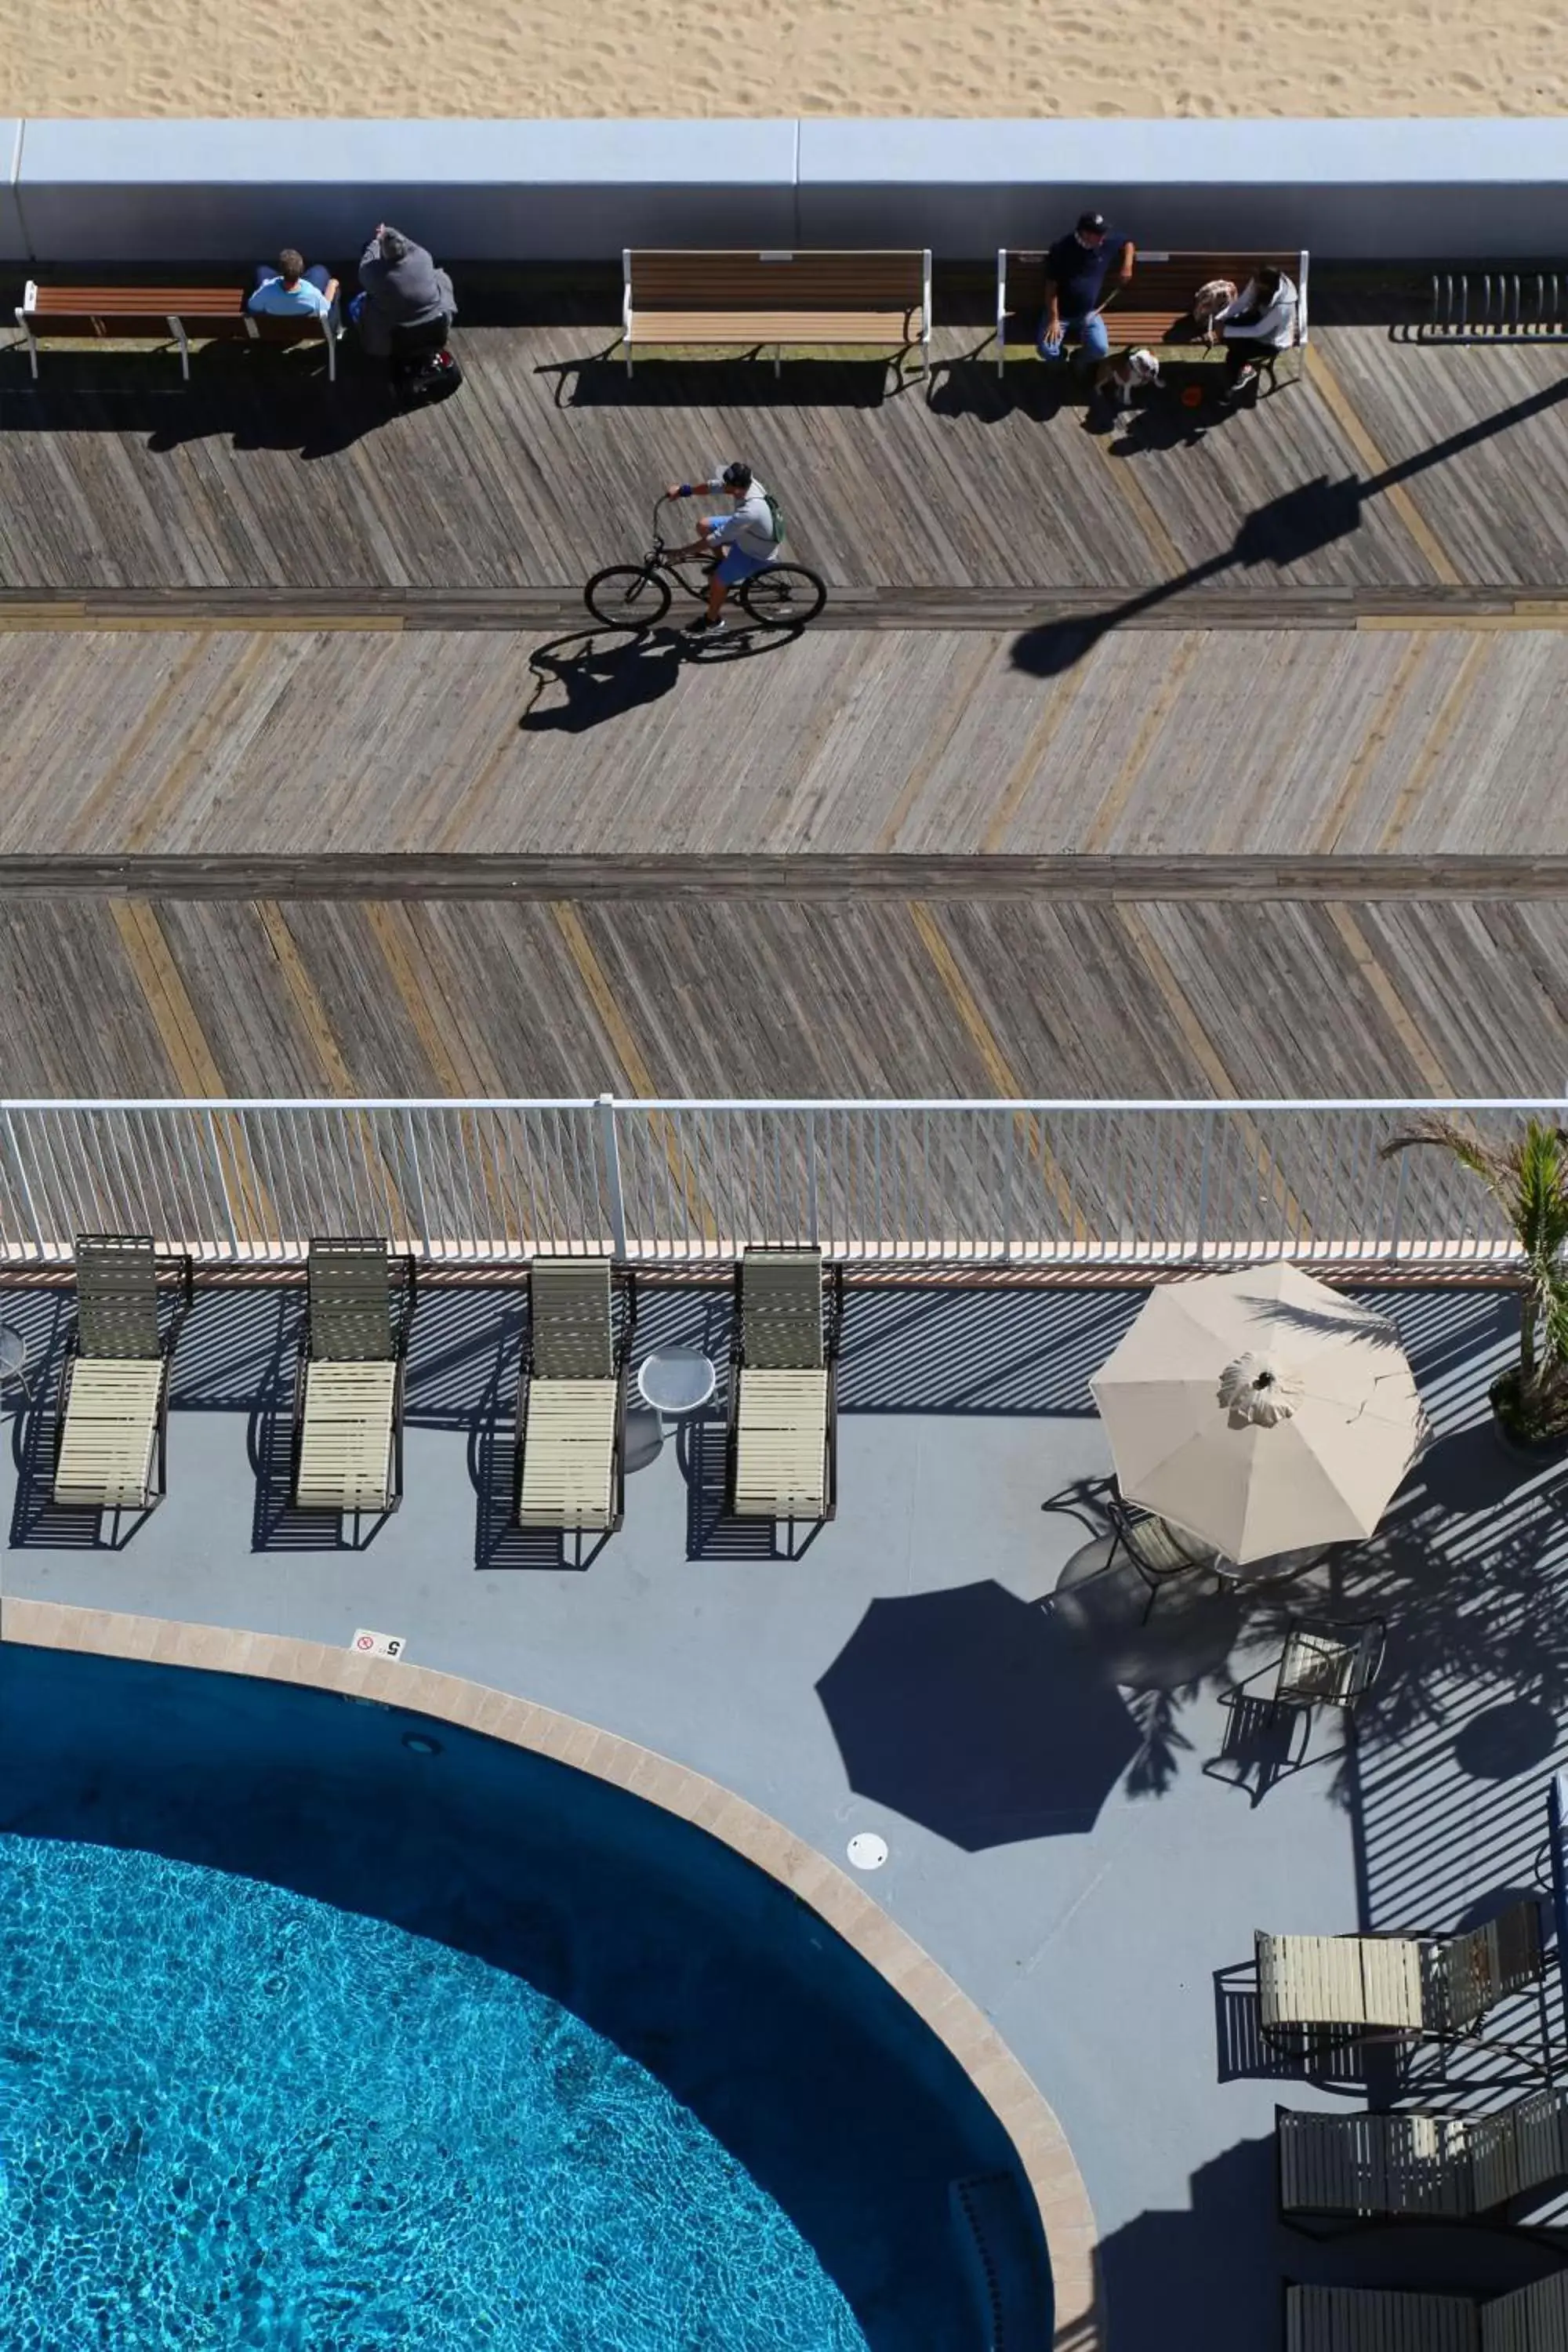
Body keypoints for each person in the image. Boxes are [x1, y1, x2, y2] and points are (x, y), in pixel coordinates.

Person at [663, 463, 782, 637]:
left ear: (738, 488)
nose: (724, 485)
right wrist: (684, 491)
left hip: (755, 551)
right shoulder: (747, 483)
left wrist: (681, 552)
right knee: (704, 525)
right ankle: (722, 561)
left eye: (728, 484)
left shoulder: (750, 511)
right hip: (749, 531)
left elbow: (716, 538)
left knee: (717, 581)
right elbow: (714, 487)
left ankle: (712, 621)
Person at [1037, 212, 1136, 368]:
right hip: (1061, 314)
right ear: (1085, 234)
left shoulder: (1105, 244)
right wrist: (1053, 319)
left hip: (1089, 313)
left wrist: (1127, 266)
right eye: (1099, 233)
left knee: (1100, 349)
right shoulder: (1061, 249)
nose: (1103, 237)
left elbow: (1127, 242)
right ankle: (1062, 363)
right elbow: (1051, 288)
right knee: (1048, 350)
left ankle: (1078, 360)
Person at [353, 223, 457, 361]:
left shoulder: (376, 276)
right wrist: (390, 233)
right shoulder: (423, 256)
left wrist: (375, 242)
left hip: (400, 334)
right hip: (434, 323)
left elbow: (364, 265)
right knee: (439, 276)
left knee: (359, 303)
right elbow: (410, 245)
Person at [1213, 263, 1298, 399]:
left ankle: (1231, 386)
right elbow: (1242, 303)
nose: (1254, 285)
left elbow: (1258, 331)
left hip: (1272, 342)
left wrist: (1226, 331)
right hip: (1260, 319)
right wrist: (1220, 319)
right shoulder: (1260, 280)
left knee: (1235, 354)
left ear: (1267, 287)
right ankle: (1244, 367)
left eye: (1258, 285)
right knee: (1229, 331)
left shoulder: (1282, 307)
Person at [248, 250, 333, 318]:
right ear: (301, 270)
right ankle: (335, 330)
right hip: (302, 327)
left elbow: (253, 306)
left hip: (276, 326)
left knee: (262, 271)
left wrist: (265, 285)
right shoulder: (312, 294)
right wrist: (332, 285)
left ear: (281, 272)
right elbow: (325, 307)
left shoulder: (266, 291)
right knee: (320, 270)